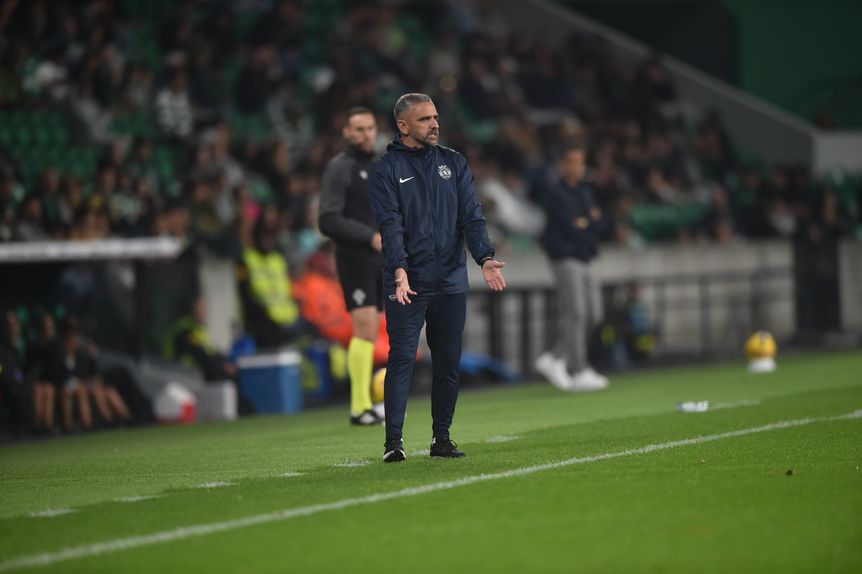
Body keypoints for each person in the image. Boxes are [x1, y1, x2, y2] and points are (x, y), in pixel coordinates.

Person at [370, 93, 506, 463]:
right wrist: (398, 267)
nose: (435, 124)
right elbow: (390, 224)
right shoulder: (385, 170)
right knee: (401, 359)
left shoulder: (454, 162)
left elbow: (472, 216)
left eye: (435, 117)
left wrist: (485, 257)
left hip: (449, 279)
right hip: (408, 282)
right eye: (425, 119)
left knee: (448, 361)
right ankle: (393, 442)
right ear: (403, 127)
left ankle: (441, 438)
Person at [318, 107, 385, 426]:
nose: (365, 134)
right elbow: (328, 219)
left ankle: (382, 400)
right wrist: (369, 236)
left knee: (389, 332)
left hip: (384, 259)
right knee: (365, 330)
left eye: (370, 128)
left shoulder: (379, 166)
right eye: (358, 129)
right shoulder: (339, 169)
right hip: (355, 258)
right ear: (345, 133)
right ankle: (359, 406)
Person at [535, 145, 609, 391]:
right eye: (573, 162)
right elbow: (572, 225)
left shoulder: (585, 192)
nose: (578, 167)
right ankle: (579, 369)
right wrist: (589, 221)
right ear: (564, 166)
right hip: (566, 258)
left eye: (581, 163)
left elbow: (599, 223)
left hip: (587, 257)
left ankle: (555, 357)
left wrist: (587, 222)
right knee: (576, 312)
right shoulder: (557, 193)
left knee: (594, 314)